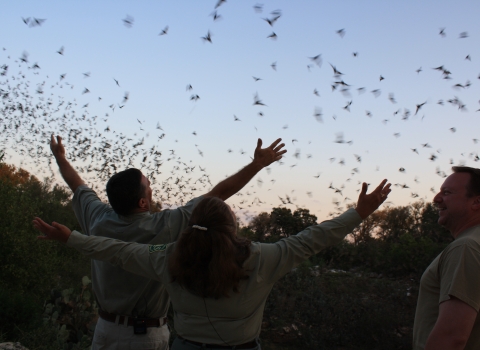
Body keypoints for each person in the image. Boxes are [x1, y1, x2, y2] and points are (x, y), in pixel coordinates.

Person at [33, 178, 391, 349]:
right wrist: (358, 212)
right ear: (232, 227)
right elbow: (313, 238)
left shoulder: (169, 258)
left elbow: (117, 251)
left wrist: (71, 238)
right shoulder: (263, 258)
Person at [48, 134, 286, 350]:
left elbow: (76, 184)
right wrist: (257, 164)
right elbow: (219, 194)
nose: (152, 189)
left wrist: (60, 158)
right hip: (145, 336)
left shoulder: (97, 218)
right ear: (142, 203)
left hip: (105, 330)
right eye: (149, 186)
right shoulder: (166, 225)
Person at [413, 166, 480, 350]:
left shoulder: (465, 247)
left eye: (447, 192)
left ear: (476, 202)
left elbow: (452, 338)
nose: (436, 199)